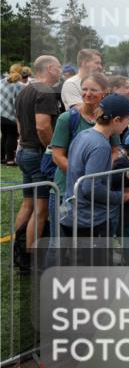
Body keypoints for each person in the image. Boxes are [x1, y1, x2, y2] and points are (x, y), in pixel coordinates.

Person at [61, 94, 129, 244]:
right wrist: (121, 196)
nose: (128, 123)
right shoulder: (101, 146)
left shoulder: (83, 135)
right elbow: (91, 188)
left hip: (73, 215)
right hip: (90, 220)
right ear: (116, 120)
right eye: (128, 119)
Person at [51, 73, 121, 238]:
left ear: (104, 93)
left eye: (93, 90)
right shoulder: (67, 118)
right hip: (65, 189)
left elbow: (115, 150)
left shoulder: (108, 118)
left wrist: (98, 173)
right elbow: (57, 155)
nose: (88, 94)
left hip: (92, 191)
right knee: (58, 244)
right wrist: (83, 177)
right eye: (84, 89)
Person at [12, 55, 63, 268]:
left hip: (24, 150)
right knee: (40, 210)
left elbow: (19, 123)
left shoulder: (25, 90)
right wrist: (52, 150)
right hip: (37, 154)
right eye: (59, 67)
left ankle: (19, 251)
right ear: (50, 68)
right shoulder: (46, 92)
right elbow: (42, 125)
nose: (60, 70)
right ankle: (31, 258)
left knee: (28, 204)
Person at [1, 64, 26, 165]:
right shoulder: (19, 85)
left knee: (4, 136)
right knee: (12, 135)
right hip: (11, 115)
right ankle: (10, 160)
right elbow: (19, 102)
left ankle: (2, 157)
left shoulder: (2, 82)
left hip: (1, 113)